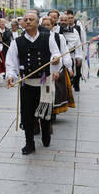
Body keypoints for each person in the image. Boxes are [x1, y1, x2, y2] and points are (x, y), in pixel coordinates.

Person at [6, 11, 61, 154]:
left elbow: (55, 53)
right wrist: (11, 76)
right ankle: (29, 143)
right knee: (27, 115)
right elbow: (11, 63)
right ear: (22, 24)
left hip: (44, 83)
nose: (28, 21)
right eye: (26, 20)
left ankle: (46, 133)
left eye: (31, 19)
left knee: (44, 112)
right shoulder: (16, 42)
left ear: (37, 23)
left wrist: (56, 59)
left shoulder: (48, 37)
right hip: (27, 84)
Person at [40, 16, 74, 118]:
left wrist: (69, 67)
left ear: (53, 26)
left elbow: (65, 52)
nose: (46, 27)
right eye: (44, 25)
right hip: (42, 70)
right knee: (43, 91)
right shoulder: (38, 37)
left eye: (48, 25)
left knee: (55, 91)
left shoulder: (59, 37)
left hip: (56, 69)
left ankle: (53, 113)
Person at [65, 10, 87, 91]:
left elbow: (83, 40)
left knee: (78, 70)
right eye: (68, 18)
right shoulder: (63, 28)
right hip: (68, 54)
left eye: (71, 18)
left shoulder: (78, 27)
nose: (70, 19)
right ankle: (70, 84)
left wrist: (84, 53)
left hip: (77, 52)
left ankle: (76, 84)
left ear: (74, 18)